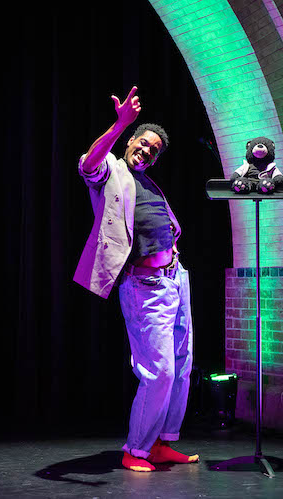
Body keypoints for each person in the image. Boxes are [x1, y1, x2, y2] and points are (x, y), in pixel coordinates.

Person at [74, 86, 198, 472]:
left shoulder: (148, 183)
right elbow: (88, 163)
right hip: (144, 286)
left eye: (153, 151)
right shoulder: (112, 170)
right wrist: (119, 123)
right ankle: (136, 449)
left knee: (182, 363)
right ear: (131, 142)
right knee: (158, 370)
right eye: (142, 144)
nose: (145, 152)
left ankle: (162, 442)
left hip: (175, 278)